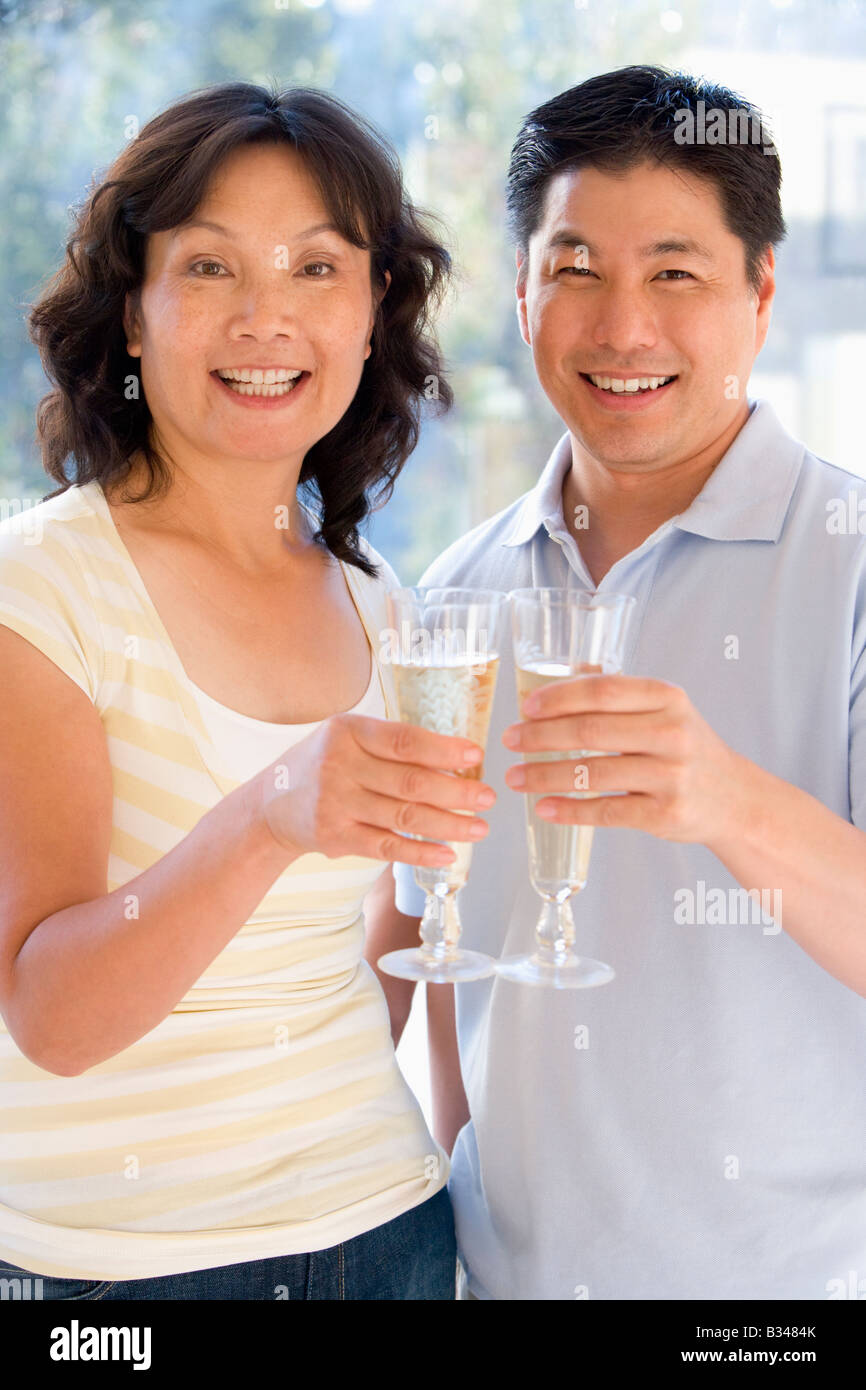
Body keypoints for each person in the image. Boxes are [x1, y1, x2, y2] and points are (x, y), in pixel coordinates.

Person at [370, 64, 866, 1300]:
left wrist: (730, 802)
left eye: (674, 274)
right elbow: (424, 940)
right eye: (576, 268)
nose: (622, 327)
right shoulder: (454, 595)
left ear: (758, 293)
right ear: (527, 291)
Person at [0, 81, 499, 1300]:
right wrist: (272, 809)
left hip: (386, 1229)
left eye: (317, 269)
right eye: (211, 269)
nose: (267, 317)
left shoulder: (378, 601)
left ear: (374, 312)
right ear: (132, 313)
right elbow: (50, 1014)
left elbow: (386, 933)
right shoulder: (40, 592)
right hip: (124, 1281)